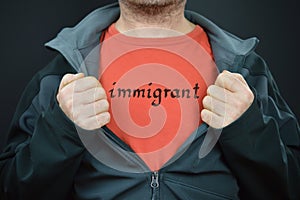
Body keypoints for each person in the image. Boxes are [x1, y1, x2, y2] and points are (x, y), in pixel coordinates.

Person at [0, 0, 299, 199]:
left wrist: (248, 129)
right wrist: (61, 129)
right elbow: (13, 189)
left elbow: (290, 187)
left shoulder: (245, 69)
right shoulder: (62, 72)